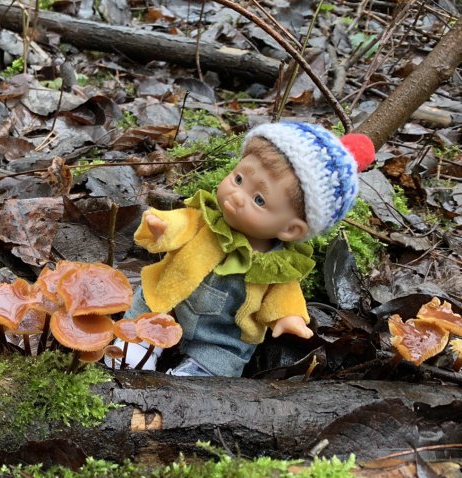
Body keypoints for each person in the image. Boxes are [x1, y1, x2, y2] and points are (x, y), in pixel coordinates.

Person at [120, 122, 375, 377]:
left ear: (291, 230)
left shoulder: (276, 265)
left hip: (220, 333)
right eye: (238, 179)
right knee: (148, 306)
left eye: (259, 200)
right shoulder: (208, 219)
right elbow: (183, 223)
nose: (237, 195)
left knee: (222, 356)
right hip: (172, 300)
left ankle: (197, 372)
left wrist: (289, 318)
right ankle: (137, 346)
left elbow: (284, 294)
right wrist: (162, 226)